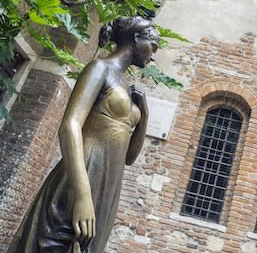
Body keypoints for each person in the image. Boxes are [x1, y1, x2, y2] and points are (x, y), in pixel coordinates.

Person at [8, 16, 160, 253]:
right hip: (83, 174)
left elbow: (129, 157)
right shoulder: (100, 68)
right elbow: (69, 126)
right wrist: (82, 194)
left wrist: (145, 117)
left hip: (108, 181)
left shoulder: (127, 85)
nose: (154, 55)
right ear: (137, 38)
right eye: (153, 45)